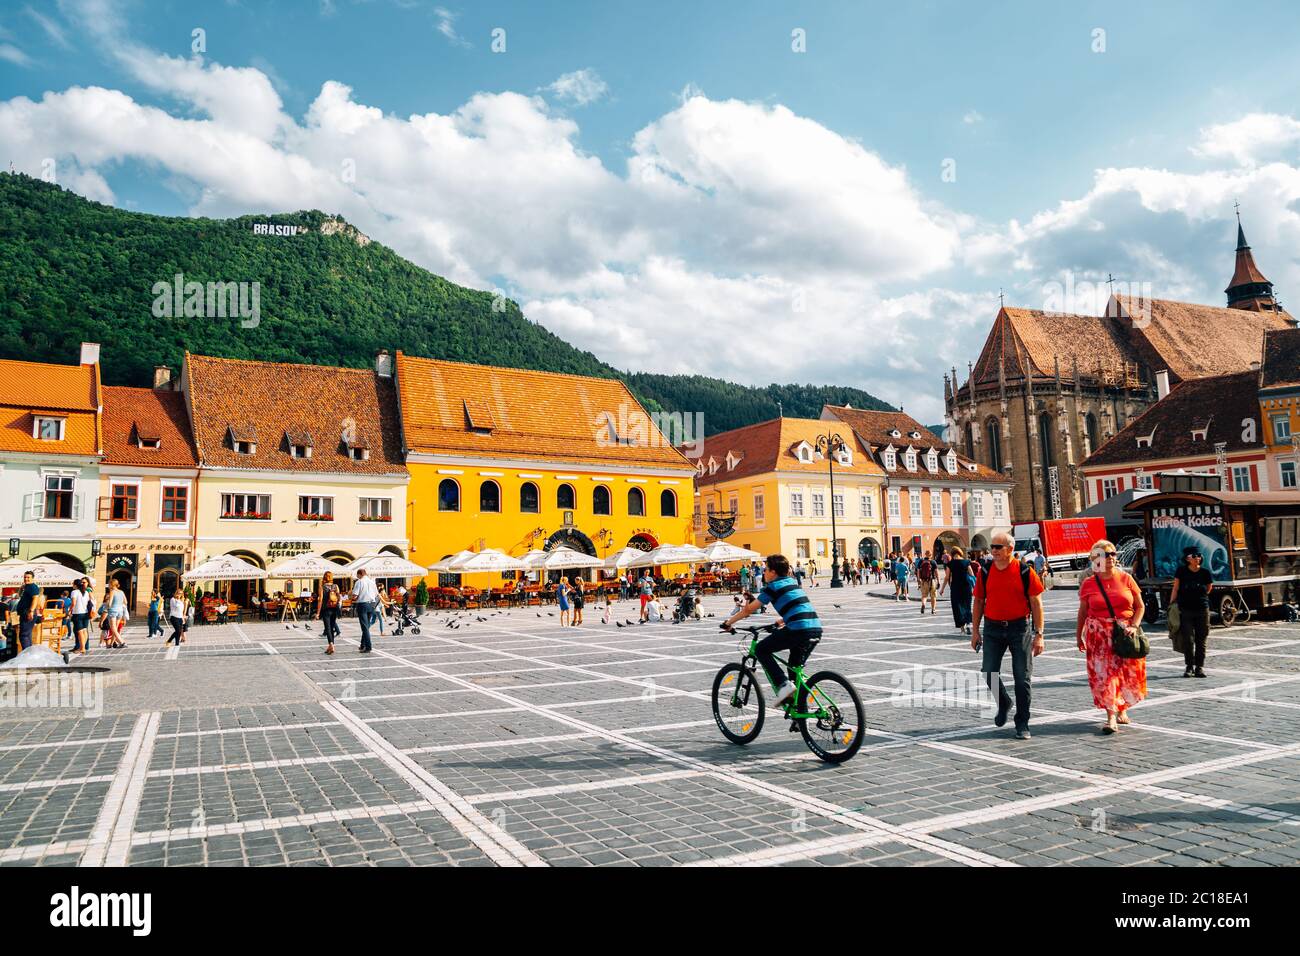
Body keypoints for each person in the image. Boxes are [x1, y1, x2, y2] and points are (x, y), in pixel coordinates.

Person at [971, 531, 1045, 740]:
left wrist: (1039, 634)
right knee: (988, 671)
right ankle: (1003, 702)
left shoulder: (1024, 571)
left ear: (1010, 549)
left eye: (997, 547)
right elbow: (978, 602)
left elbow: (1036, 603)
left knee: (1022, 678)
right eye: (992, 547)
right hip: (993, 628)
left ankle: (1022, 723)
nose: (993, 551)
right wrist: (975, 631)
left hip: (1019, 628)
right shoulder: (985, 571)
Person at [722, 553, 822, 706]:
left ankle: (783, 686)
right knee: (794, 668)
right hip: (815, 628)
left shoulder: (772, 587)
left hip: (798, 630)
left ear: (773, 572)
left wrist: (729, 623)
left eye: (766, 569)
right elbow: (798, 606)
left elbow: (748, 610)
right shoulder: (792, 583)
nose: (764, 572)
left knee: (761, 650)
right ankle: (799, 710)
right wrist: (782, 620)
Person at [1076, 539, 1147, 734]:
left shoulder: (1126, 578)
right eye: (1105, 554)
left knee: (1124, 673)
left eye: (1113, 553)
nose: (1111, 558)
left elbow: (1140, 606)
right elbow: (1082, 612)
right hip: (1098, 634)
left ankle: (1122, 707)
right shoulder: (1089, 583)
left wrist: (1134, 626)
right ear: (1095, 559)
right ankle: (1111, 718)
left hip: (1125, 632)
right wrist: (1078, 636)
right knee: (1105, 675)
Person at [1169, 547, 1213, 678]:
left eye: (1199, 555)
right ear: (1188, 559)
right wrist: (1171, 604)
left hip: (1202, 609)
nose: (1197, 558)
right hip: (1185, 609)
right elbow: (1176, 588)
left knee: (1201, 639)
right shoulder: (1181, 571)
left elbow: (1209, 588)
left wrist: (1199, 596)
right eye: (1194, 556)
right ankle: (1189, 666)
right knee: (1188, 639)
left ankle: (1199, 667)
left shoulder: (1205, 572)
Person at [939, 545, 973, 634]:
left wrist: (942, 589)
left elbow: (947, 577)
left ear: (952, 554)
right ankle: (968, 623)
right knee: (967, 605)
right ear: (960, 552)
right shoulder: (966, 562)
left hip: (955, 587)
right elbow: (972, 574)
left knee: (957, 607)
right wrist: (974, 586)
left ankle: (962, 628)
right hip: (966, 587)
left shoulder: (950, 564)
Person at [350, 568, 380, 653]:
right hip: (372, 604)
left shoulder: (359, 582)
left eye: (357, 575)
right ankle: (362, 645)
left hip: (362, 604)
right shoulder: (372, 582)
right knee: (366, 626)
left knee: (364, 627)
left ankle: (368, 647)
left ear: (359, 574)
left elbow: (355, 596)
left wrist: (351, 595)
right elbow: (376, 594)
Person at [15, 570, 43, 651]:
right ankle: (29, 653)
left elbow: (35, 599)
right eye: (25, 577)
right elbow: (19, 596)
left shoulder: (32, 587)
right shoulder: (27, 587)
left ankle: (27, 655)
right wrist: (21, 588)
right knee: (27, 634)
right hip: (25, 613)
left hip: (28, 613)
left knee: (24, 635)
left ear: (32, 578)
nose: (26, 579)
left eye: (28, 577)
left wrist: (31, 611)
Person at [316, 570, 342, 655]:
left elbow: (320, 600)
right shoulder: (336, 586)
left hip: (326, 609)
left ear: (324, 577)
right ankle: (330, 647)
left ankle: (331, 644)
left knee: (328, 628)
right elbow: (339, 598)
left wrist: (318, 613)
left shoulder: (322, 587)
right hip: (334, 609)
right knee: (331, 627)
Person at [68, 577, 92, 655]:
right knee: (84, 630)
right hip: (85, 613)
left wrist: (69, 611)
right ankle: (83, 647)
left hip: (77, 613)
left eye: (73, 584)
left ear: (75, 585)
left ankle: (82, 648)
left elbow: (73, 603)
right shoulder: (86, 592)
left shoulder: (74, 592)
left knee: (80, 632)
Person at [916, 550, 937, 615]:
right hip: (932, 580)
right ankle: (933, 609)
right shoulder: (933, 562)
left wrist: (918, 580)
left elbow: (918, 571)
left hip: (924, 581)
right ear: (931, 555)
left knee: (924, 595)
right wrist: (938, 581)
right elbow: (936, 572)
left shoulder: (921, 561)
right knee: (933, 596)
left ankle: (923, 605)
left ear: (925, 554)